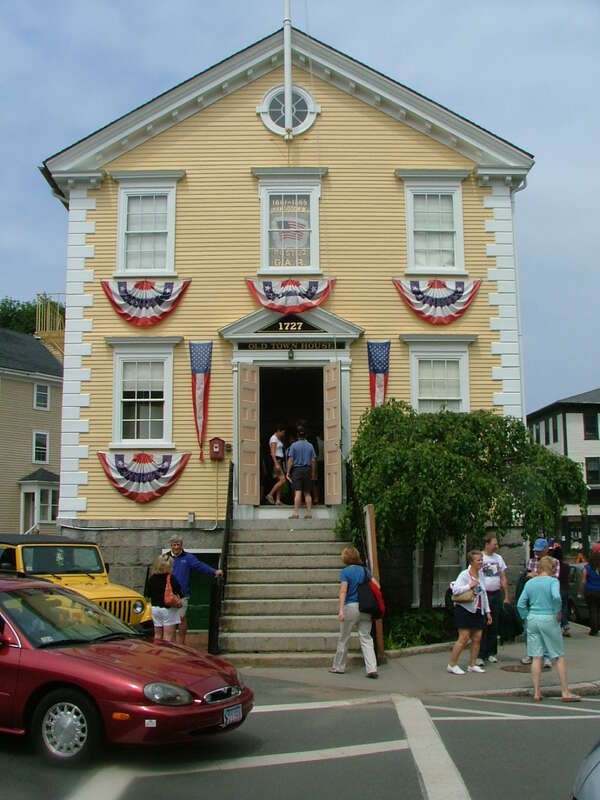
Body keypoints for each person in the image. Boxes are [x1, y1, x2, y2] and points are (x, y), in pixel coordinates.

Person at [517, 555, 580, 702]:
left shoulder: (530, 582)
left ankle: (537, 692)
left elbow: (521, 603)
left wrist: (526, 616)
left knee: (536, 655)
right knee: (558, 655)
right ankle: (565, 691)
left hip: (533, 618)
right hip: (548, 618)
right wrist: (557, 611)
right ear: (551, 568)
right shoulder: (553, 582)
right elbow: (557, 598)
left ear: (538, 569)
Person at [329, 546, 378, 678]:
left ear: (345, 558)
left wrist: (340, 610)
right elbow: (377, 586)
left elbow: (343, 591)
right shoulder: (365, 571)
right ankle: (372, 668)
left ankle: (338, 666)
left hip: (350, 607)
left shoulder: (345, 572)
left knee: (344, 638)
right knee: (366, 637)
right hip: (365, 608)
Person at [168, 535, 223, 645]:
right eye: (174, 545)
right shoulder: (166, 558)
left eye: (178, 544)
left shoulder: (188, 558)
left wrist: (214, 571)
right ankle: (171, 645)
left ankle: (181, 644)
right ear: (171, 546)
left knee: (181, 618)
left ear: (181, 545)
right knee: (170, 622)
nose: (176, 547)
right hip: (168, 594)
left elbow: (200, 566)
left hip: (182, 595)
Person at [447, 550, 492, 675]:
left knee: (477, 637)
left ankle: (472, 665)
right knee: (464, 637)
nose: (481, 562)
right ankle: (452, 664)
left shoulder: (481, 574)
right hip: (464, 609)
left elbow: (484, 594)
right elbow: (455, 590)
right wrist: (469, 585)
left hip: (478, 610)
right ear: (471, 562)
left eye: (482, 559)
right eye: (478, 560)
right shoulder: (464, 575)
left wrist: (487, 611)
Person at [521, 537, 558, 667]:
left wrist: (535, 576)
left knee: (546, 631)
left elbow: (554, 579)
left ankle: (547, 656)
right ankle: (531, 654)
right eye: (536, 551)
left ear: (546, 550)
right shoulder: (531, 562)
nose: (537, 554)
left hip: (547, 602)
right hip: (533, 601)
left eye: (540, 551)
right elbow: (527, 576)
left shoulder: (554, 562)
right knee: (529, 630)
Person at [477, 534, 511, 665]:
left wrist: (506, 595)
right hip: (483, 595)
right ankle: (481, 654)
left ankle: (491, 652)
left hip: (496, 594)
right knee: (483, 624)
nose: (496, 546)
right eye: (494, 544)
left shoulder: (498, 558)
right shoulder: (480, 557)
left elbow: (503, 577)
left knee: (494, 624)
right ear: (487, 544)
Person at [147, 554, 183, 642]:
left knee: (157, 635)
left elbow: (149, 594)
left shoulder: (152, 578)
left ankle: (156, 652)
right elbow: (180, 592)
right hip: (168, 609)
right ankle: (166, 654)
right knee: (168, 636)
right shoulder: (171, 578)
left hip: (155, 609)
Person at [286, 425, 316, 520]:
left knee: (298, 492)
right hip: (307, 469)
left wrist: (288, 471)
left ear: (297, 436)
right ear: (305, 435)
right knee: (307, 493)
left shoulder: (293, 446)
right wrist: (313, 472)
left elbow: (290, 460)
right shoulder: (310, 445)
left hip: (297, 470)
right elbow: (313, 460)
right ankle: (309, 513)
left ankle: (295, 513)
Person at [551, 543, 571, 637]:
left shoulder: (553, 566)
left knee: (558, 608)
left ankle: (566, 626)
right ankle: (563, 625)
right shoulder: (566, 566)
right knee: (564, 608)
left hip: (558, 588)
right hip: (566, 588)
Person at [579, 548, 600, 636]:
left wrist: (581, 591)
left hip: (590, 591)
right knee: (599, 610)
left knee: (592, 610)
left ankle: (593, 629)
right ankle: (598, 627)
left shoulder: (587, 568)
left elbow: (583, 581)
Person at [265, 424, 287, 506]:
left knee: (279, 481)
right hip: (276, 461)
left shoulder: (278, 439)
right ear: (278, 430)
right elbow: (272, 452)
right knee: (283, 480)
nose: (283, 434)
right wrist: (276, 464)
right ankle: (270, 495)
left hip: (279, 460)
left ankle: (278, 500)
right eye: (283, 432)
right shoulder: (273, 439)